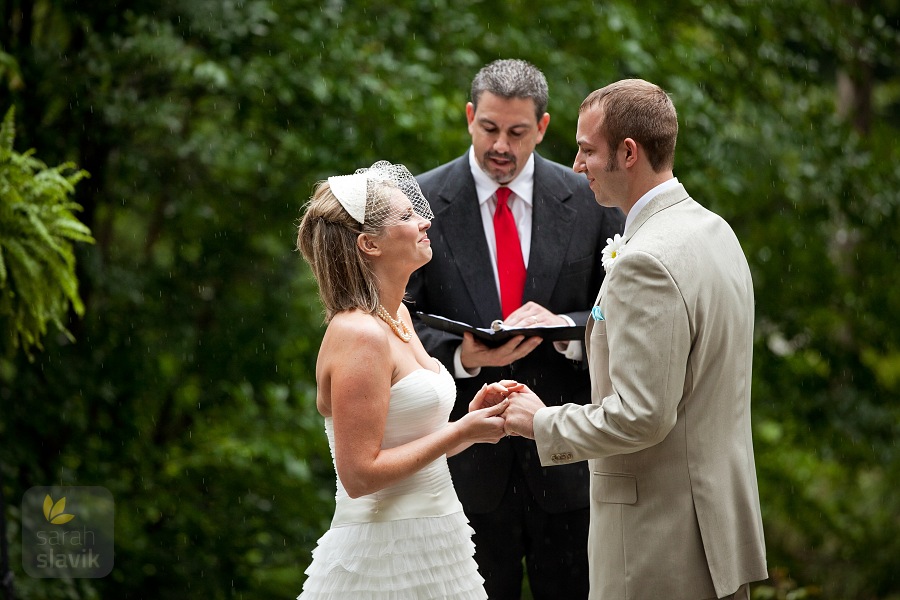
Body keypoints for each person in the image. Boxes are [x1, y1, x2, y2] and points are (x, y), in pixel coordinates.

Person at [501, 79, 769, 599]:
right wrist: (573, 336)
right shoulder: (713, 230)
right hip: (715, 523)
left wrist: (538, 423)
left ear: (628, 152)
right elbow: (686, 359)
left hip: (660, 539)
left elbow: (642, 414)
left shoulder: (645, 259)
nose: (577, 166)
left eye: (586, 150)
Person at [405, 59, 625, 599]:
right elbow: (395, 317)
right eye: (489, 128)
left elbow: (624, 306)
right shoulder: (420, 201)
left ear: (543, 128)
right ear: (468, 116)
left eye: (517, 132)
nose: (500, 145)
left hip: (569, 464)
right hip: (465, 469)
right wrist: (466, 357)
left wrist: (570, 328)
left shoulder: (591, 198)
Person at [294, 160, 523, 599]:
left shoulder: (397, 315)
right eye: (406, 217)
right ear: (369, 244)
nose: (425, 220)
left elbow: (412, 445)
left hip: (438, 543)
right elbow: (360, 476)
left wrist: (469, 426)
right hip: (384, 556)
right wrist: (459, 430)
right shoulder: (359, 333)